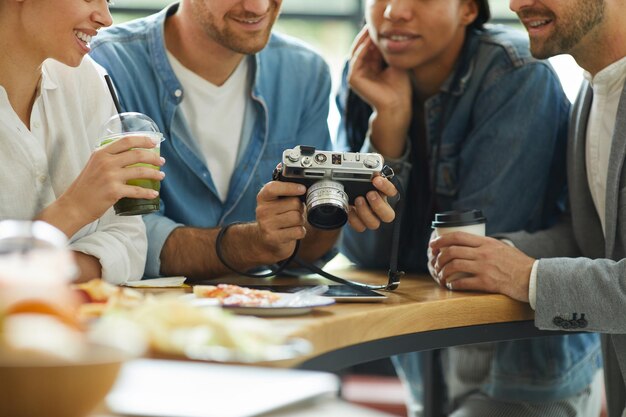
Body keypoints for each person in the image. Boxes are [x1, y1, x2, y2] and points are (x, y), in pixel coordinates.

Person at [336, 0, 601, 415]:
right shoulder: (364, 76)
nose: (393, 13)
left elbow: (467, 257)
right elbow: (364, 252)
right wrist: (387, 124)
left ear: (468, 10)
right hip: (428, 362)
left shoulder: (515, 74)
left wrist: (397, 245)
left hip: (521, 370)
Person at [89, 0, 397, 281]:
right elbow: (127, 236)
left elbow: (306, 250)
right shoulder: (106, 66)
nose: (257, 7)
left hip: (272, 322)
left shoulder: (304, 73)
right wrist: (253, 243)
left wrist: (332, 213)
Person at [430, 0, 626, 415]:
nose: (515, 3)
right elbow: (590, 240)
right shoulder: (590, 96)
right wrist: (494, 254)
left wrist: (529, 277)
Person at [0, 0, 162, 283]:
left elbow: (130, 243)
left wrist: (34, 271)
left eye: (108, 1)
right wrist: (73, 209)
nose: (106, 19)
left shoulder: (86, 77)